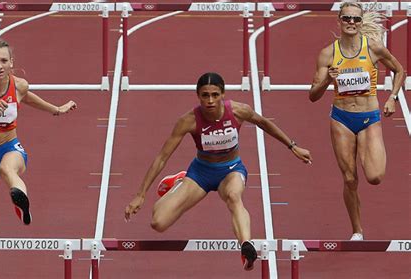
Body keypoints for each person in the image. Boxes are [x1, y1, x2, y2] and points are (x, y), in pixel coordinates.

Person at [125, 72, 312, 270]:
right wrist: (140, 195)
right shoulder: (188, 120)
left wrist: (293, 146)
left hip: (231, 170)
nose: (210, 100)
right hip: (201, 173)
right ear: (198, 96)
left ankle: (246, 245)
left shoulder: (239, 111)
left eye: (215, 94)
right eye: (205, 95)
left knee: (233, 196)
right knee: (158, 223)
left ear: (223, 94)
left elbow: (264, 123)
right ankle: (179, 182)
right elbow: (162, 157)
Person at [0, 38, 77, 253]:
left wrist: (57, 109)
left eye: (4, 61)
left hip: (9, 147)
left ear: (11, 62)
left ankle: (20, 201)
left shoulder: (19, 85)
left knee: (8, 169)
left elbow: (31, 99)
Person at [309, 2, 404, 241]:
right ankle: (357, 230)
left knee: (374, 176)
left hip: (369, 117)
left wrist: (392, 98)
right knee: (350, 178)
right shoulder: (328, 54)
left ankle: (367, 146)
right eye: (347, 19)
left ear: (361, 23)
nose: (351, 23)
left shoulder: (373, 48)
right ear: (339, 21)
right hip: (341, 118)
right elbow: (313, 95)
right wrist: (327, 81)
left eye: (356, 19)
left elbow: (400, 70)